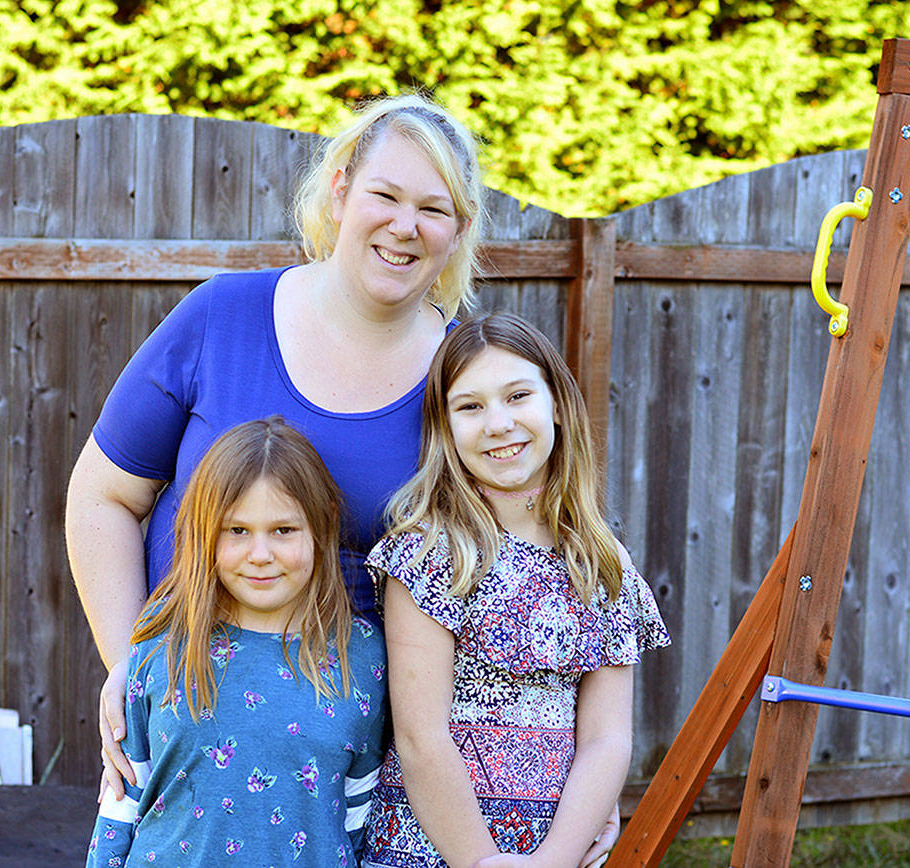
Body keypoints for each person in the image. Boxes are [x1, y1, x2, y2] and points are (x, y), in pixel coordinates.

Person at [66, 93, 484, 800]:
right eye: (385, 195)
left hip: (355, 766)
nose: (404, 226)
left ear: (459, 229)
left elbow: (523, 554)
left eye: (433, 209)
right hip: (184, 733)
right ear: (340, 190)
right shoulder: (221, 317)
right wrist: (130, 669)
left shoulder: (466, 377)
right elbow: (102, 496)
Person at [360, 313, 670, 868]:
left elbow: (607, 740)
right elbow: (422, 737)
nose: (499, 424)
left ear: (557, 404)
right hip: (433, 848)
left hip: (555, 850)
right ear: (445, 427)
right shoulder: (433, 554)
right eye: (470, 407)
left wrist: (555, 858)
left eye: (518, 396)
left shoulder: (601, 562)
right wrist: (482, 861)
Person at [85, 417, 387, 867]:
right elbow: (121, 803)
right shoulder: (163, 643)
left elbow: (360, 814)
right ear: (206, 532)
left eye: (283, 530)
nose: (260, 555)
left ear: (321, 526)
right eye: (237, 531)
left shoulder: (360, 655)